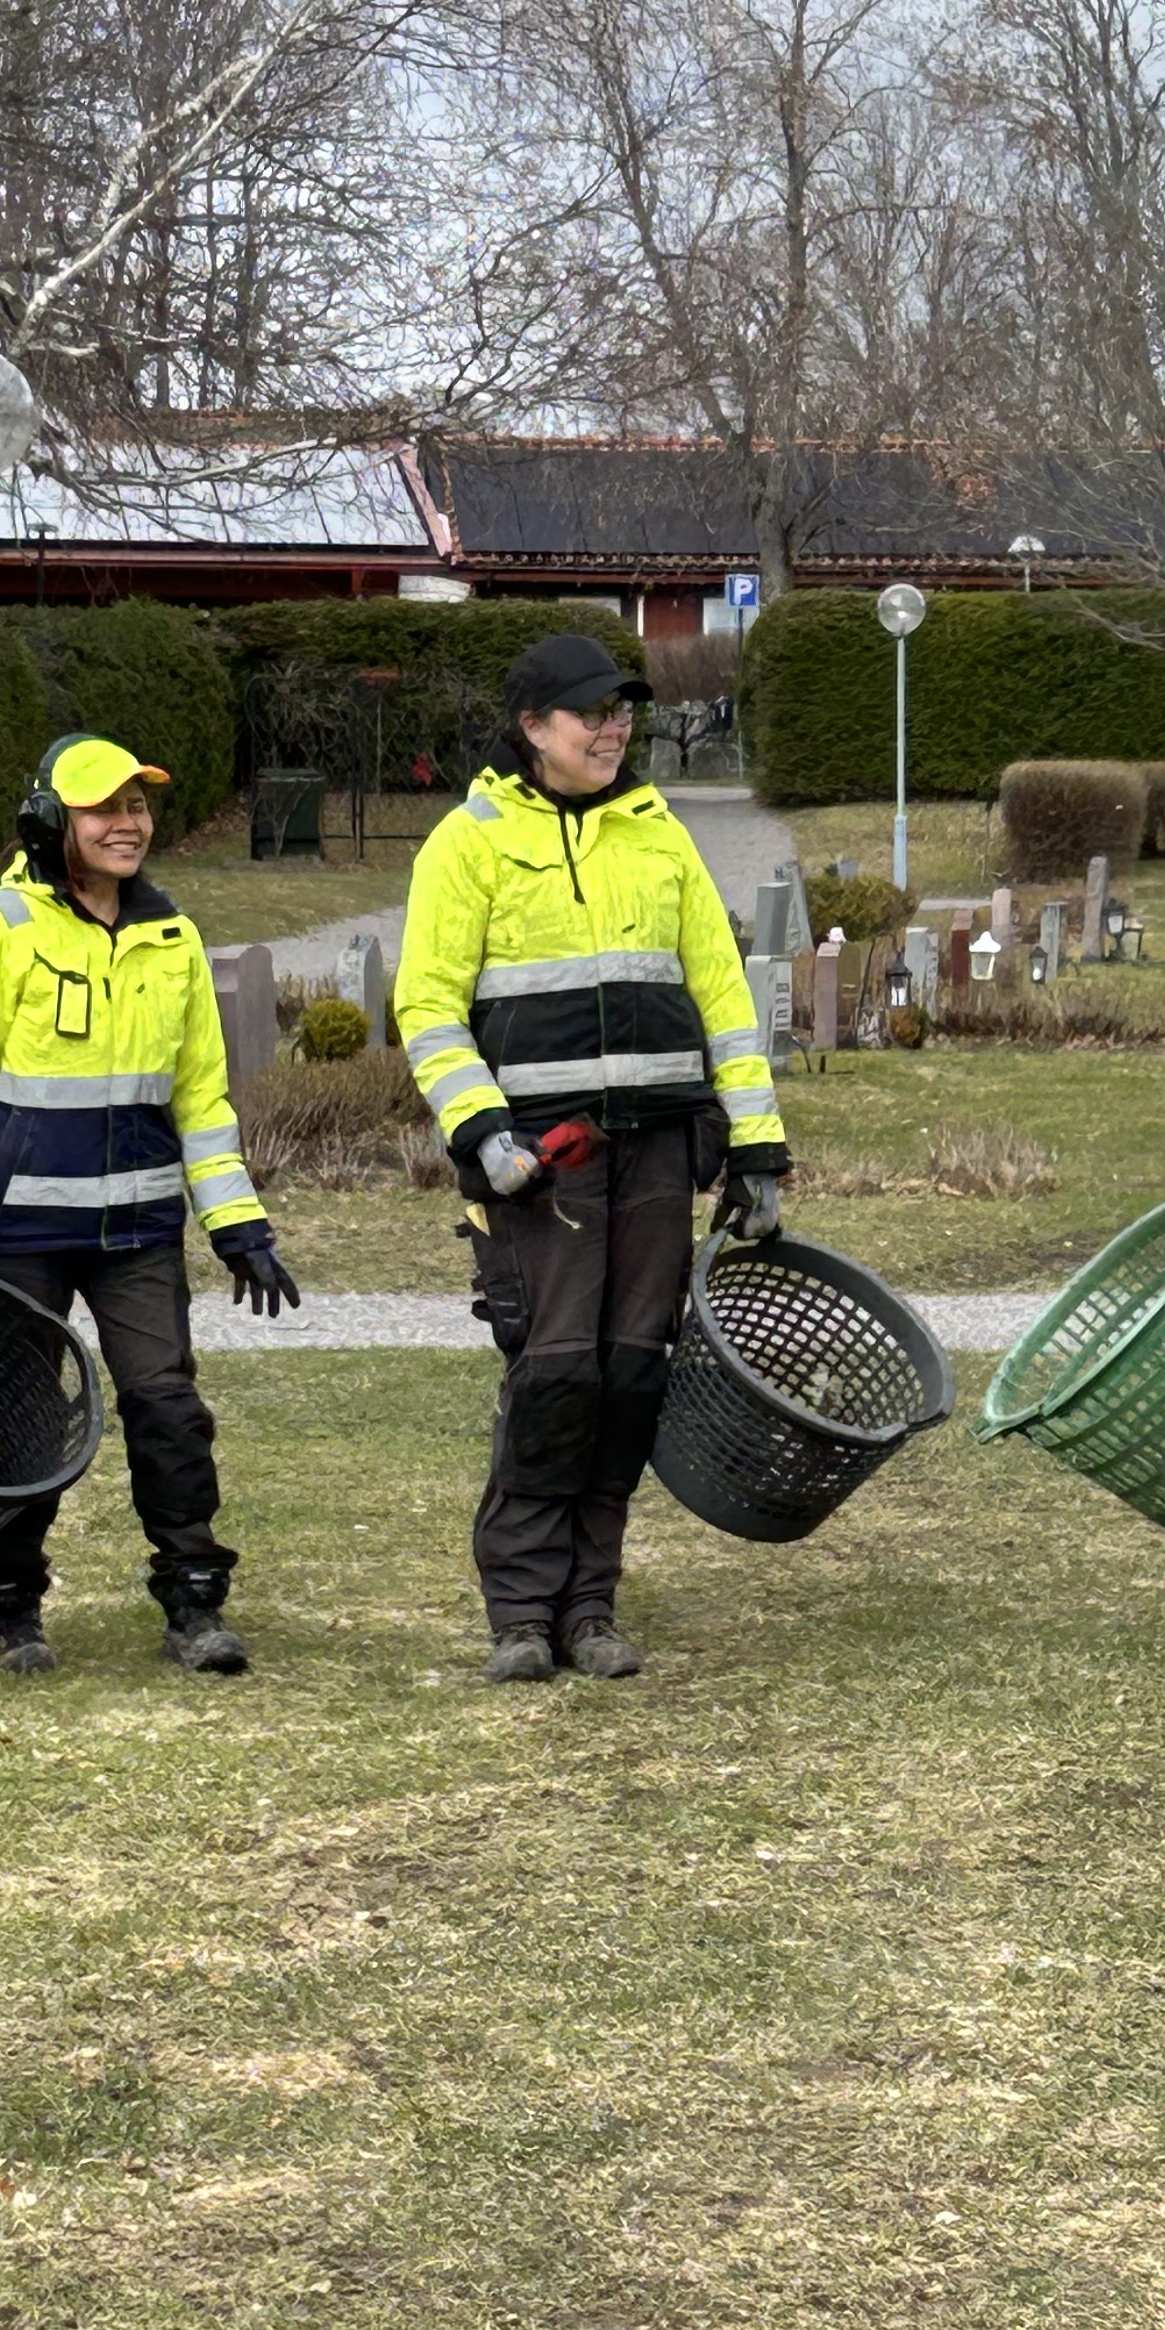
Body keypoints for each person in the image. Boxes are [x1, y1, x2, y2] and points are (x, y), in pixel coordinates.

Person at [395, 631, 786, 1680]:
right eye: (591, 713)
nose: (613, 730)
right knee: (556, 1374)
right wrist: (483, 1130)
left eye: (622, 712)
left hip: (658, 1149)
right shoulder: (468, 844)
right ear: (533, 727)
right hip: (543, 1164)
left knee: (630, 1374)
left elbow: (725, 1001)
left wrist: (756, 1147)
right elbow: (427, 1006)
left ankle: (590, 1609)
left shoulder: (660, 836)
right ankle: (523, 1613)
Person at [0, 733, 301, 1677]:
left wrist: (239, 1226)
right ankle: (10, 1604)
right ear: (50, 821)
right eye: (103, 809)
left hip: (138, 1236)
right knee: (20, 1421)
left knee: (167, 1409)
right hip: (19, 1234)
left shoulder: (173, 938)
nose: (127, 825)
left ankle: (194, 1599)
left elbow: (202, 1101)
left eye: (137, 806)